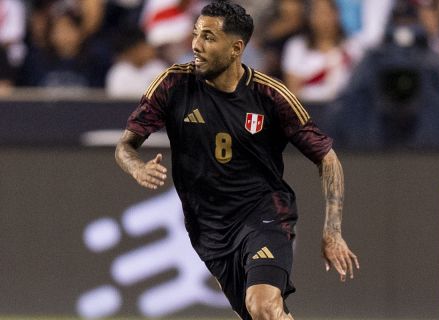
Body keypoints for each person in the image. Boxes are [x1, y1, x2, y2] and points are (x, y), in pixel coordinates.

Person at [115, 1, 359, 319]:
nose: (195, 45)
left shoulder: (270, 95)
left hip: (265, 215)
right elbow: (125, 145)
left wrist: (333, 230)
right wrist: (137, 166)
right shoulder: (174, 85)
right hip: (209, 228)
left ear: (235, 48)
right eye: (195, 34)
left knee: (263, 306)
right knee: (260, 313)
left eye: (208, 37)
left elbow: (327, 158)